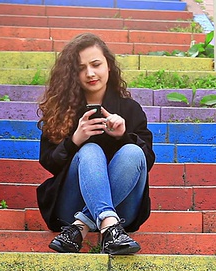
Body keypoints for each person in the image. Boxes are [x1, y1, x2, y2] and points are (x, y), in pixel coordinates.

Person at [36, 33, 156, 255]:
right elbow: (48, 163)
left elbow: (145, 162)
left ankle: (82, 227)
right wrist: (74, 141)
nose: (90, 73)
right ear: (73, 75)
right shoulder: (61, 112)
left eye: (96, 64)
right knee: (90, 150)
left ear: (108, 66)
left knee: (132, 151)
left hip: (123, 210)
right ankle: (109, 226)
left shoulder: (130, 109)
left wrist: (123, 136)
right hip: (68, 206)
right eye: (81, 68)